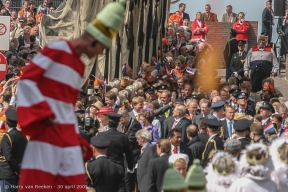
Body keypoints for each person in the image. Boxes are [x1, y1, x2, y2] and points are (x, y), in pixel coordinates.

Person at [17, 1, 127, 191]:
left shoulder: (78, 65)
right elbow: (27, 81)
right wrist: (45, 119)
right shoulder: (58, 50)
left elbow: (64, 106)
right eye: (102, 45)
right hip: (48, 142)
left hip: (65, 143)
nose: (101, 51)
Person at [0, 109, 28, 192]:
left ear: (6, 122)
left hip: (8, 174)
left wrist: (17, 171)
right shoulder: (23, 136)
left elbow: (8, 157)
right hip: (18, 175)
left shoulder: (7, 137)